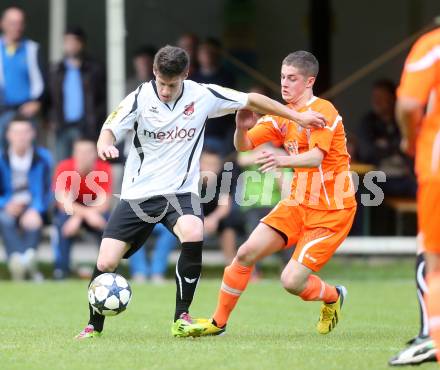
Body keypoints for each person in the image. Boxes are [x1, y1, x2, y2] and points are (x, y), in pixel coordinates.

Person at [74, 45, 326, 339]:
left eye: (172, 84)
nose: (166, 91)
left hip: (180, 192)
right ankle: (94, 325)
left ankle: (181, 317)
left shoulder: (202, 95)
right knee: (106, 262)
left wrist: (298, 118)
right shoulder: (140, 97)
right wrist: (105, 143)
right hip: (138, 194)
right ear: (154, 73)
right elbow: (110, 127)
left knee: (194, 231)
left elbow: (253, 99)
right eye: (161, 83)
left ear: (185, 75)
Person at [186, 50, 357, 337]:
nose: (285, 84)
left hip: (332, 211)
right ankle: (218, 324)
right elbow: (244, 146)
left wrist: (282, 160)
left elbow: (316, 157)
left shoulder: (323, 111)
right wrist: (240, 129)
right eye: (282, 77)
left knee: (291, 281)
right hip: (297, 204)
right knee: (245, 253)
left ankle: (332, 295)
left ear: (309, 81)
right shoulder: (281, 117)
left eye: (292, 78)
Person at [388, 27, 440, 366]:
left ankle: (432, 337)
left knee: (432, 254)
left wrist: (409, 138)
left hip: (437, 161)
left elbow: (408, 104)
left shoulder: (433, 43)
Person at [0, 116, 52, 280]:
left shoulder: (43, 158)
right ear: (8, 135)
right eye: (16, 132)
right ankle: (22, 262)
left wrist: (36, 209)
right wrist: (5, 204)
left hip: (34, 206)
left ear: (32, 134)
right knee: (4, 218)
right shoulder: (1, 158)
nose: (20, 136)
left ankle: (23, 262)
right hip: (8, 207)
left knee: (33, 221)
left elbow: (50, 189)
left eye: (25, 132)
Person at [52, 138, 112, 280]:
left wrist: (84, 215)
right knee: (62, 225)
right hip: (70, 211)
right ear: (74, 153)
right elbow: (62, 202)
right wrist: (80, 216)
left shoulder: (104, 168)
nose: (84, 155)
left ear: (95, 154)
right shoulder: (64, 167)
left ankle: (107, 270)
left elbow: (104, 203)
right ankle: (61, 270)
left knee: (108, 226)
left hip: (95, 210)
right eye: (80, 152)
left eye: (88, 152)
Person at [49, 27, 106, 161]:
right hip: (62, 127)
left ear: (82, 44)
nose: (70, 45)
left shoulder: (94, 69)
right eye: (67, 41)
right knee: (63, 170)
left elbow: (102, 99)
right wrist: (50, 119)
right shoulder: (56, 70)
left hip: (86, 127)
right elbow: (49, 98)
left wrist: (97, 121)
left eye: (74, 41)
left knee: (86, 168)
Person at [357, 79, 416, 197]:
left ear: (392, 99)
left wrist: (384, 147)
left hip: (405, 177)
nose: (376, 101)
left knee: (429, 191)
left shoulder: (402, 121)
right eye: (375, 97)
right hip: (377, 178)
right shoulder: (368, 122)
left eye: (381, 97)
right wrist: (395, 147)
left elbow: (410, 148)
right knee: (359, 191)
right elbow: (366, 153)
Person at [0, 6, 45, 148]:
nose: (17, 27)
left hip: (27, 112)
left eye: (20, 23)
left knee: (31, 153)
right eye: (13, 23)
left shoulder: (32, 49)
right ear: (3, 24)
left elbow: (44, 80)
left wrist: (38, 102)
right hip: (2, 111)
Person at [200, 146, 243, 264]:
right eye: (206, 164)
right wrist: (201, 220)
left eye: (214, 165)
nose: (210, 168)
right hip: (194, 216)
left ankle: (231, 264)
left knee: (229, 222)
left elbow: (225, 205)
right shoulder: (190, 179)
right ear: (199, 164)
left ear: (220, 166)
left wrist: (213, 219)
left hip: (215, 217)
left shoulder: (225, 178)